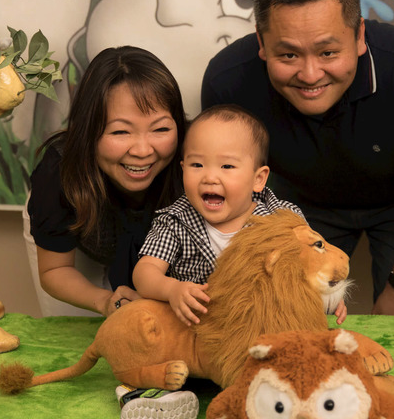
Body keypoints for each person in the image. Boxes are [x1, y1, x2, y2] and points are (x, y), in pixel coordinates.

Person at [201, 0, 394, 316]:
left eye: (327, 52)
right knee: (289, 315)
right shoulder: (228, 80)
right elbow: (228, 189)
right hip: (298, 203)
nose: (310, 74)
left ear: (359, 36)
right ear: (261, 42)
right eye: (289, 54)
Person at [25, 46, 197, 419]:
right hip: (80, 234)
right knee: (87, 338)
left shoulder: (195, 158)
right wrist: (104, 301)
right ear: (89, 130)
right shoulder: (58, 172)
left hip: (154, 252)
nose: (142, 149)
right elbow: (55, 270)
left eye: (160, 128)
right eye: (120, 131)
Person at [134, 104, 346, 326]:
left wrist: (327, 295)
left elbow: (310, 266)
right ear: (183, 168)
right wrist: (172, 289)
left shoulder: (283, 220)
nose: (209, 177)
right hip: (198, 331)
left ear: (258, 179)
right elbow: (144, 273)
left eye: (227, 166)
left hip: (264, 324)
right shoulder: (174, 222)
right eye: (197, 164)